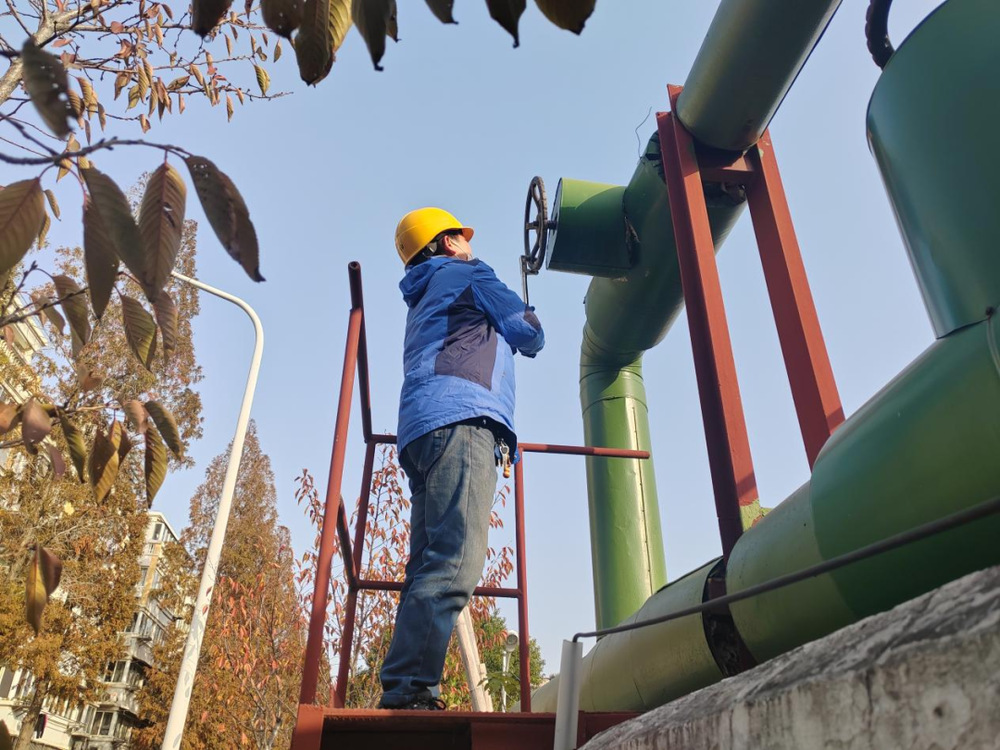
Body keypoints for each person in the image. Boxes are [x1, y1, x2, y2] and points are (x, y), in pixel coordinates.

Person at [378, 207, 544, 710]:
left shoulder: (424, 293)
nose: (469, 244)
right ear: (448, 242)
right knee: (457, 561)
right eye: (462, 237)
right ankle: (410, 691)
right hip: (463, 422)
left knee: (426, 564)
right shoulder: (469, 273)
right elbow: (528, 333)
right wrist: (529, 313)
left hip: (421, 431)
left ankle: (403, 684)